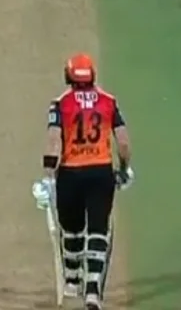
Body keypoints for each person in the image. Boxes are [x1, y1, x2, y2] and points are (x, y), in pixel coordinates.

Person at [35, 53, 134, 310]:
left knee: (72, 230)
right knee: (98, 231)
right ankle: (92, 290)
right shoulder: (109, 102)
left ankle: (72, 280)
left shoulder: (60, 104)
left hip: (70, 173)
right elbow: (123, 142)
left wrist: (47, 177)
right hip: (101, 172)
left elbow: (53, 141)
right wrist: (124, 169)